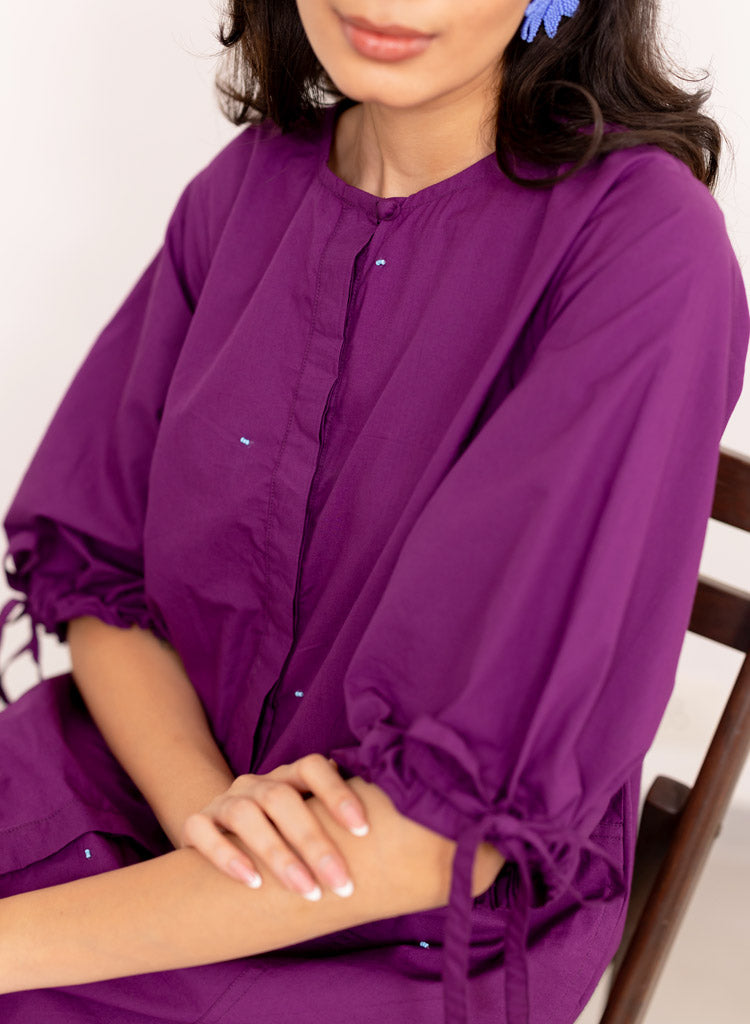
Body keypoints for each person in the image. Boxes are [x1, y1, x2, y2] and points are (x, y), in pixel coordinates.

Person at [0, 1, 748, 1022]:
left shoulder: (644, 246)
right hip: (141, 785)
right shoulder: (248, 186)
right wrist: (206, 805)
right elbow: (100, 572)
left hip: (401, 928)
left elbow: (441, 839)